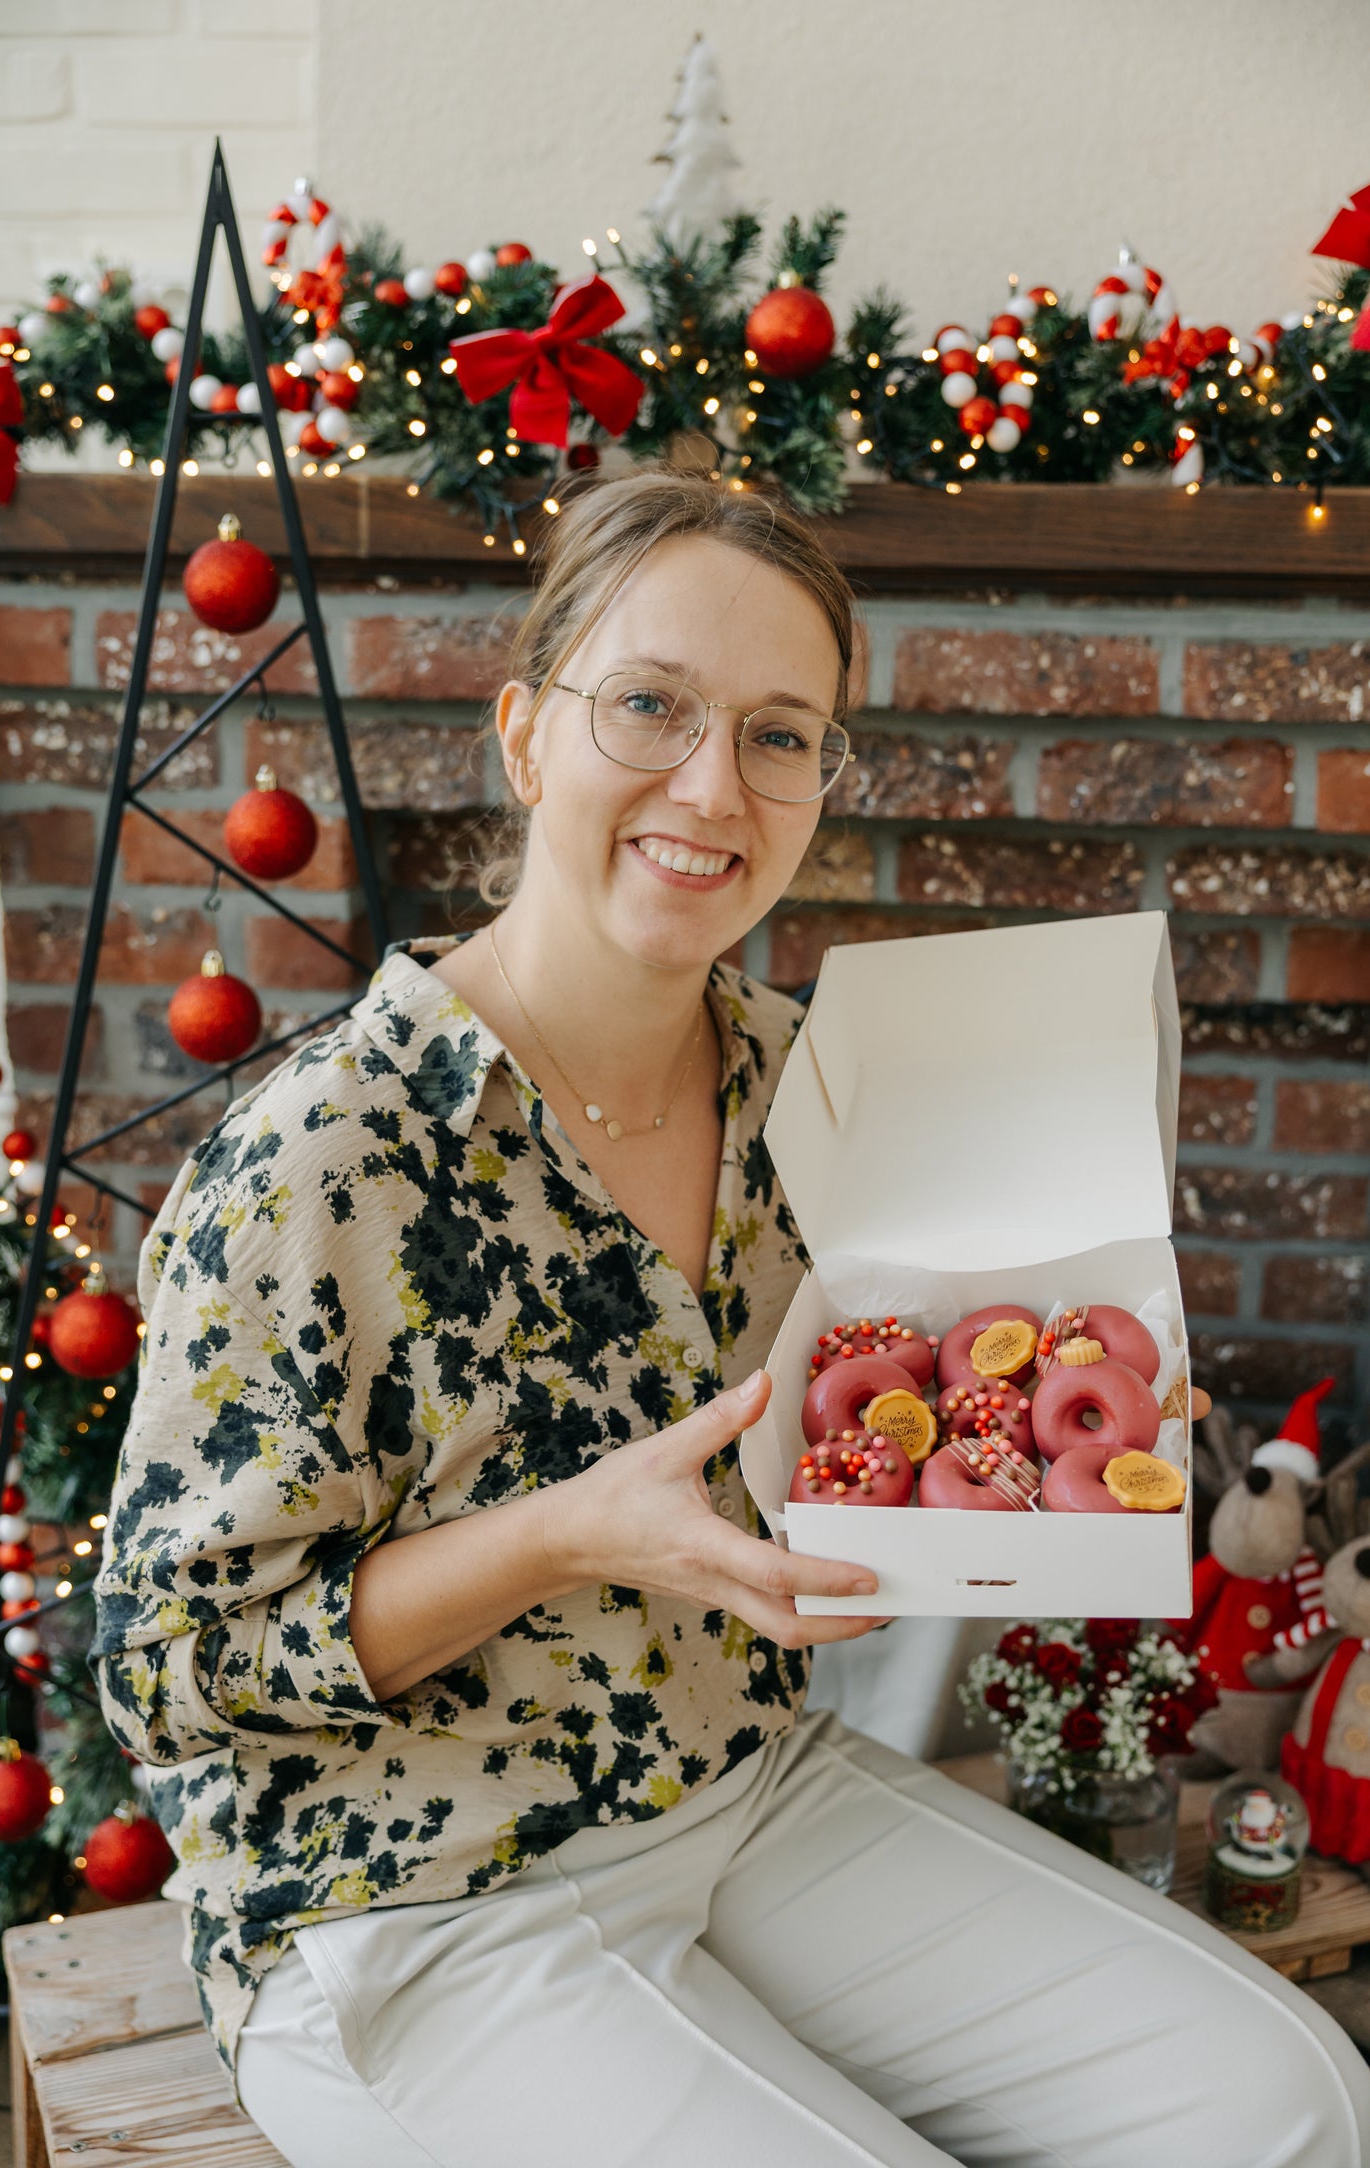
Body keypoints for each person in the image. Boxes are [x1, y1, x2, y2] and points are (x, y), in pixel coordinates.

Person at [89, 471, 1370, 2167]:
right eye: (649, 705)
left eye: (781, 734)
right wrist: (559, 1539)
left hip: (738, 1788)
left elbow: (868, 1433)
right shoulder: (325, 1158)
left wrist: (1072, 1405)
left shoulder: (813, 1079)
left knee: (1284, 2100)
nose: (713, 784)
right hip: (399, 1893)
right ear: (526, 732)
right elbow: (169, 1672)